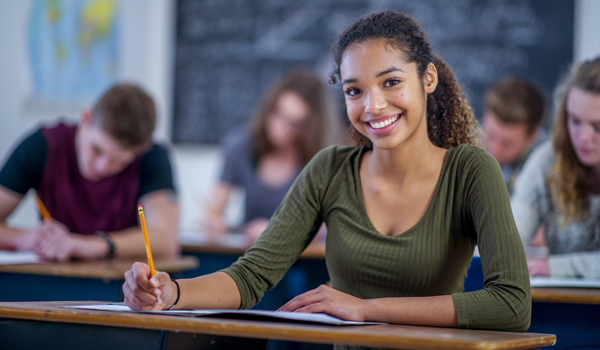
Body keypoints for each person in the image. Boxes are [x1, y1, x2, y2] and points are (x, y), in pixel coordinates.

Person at [123, 11, 530, 334]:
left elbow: (511, 304)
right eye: (354, 90)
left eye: (391, 82)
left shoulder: (471, 170)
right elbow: (251, 277)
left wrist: (365, 309)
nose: (372, 106)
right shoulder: (330, 168)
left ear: (427, 79)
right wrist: (168, 292)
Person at [0, 83, 179, 261]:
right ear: (86, 118)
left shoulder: (152, 157)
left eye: (120, 162)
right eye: (97, 149)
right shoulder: (43, 146)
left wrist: (97, 245)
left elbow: (165, 240)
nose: (102, 167)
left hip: (122, 284)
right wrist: (24, 239)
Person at [203, 68, 342, 241]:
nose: (280, 126)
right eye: (277, 113)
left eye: (294, 123)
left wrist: (274, 229)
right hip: (251, 256)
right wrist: (214, 222)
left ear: (311, 127)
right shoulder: (240, 147)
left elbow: (324, 227)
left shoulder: (323, 159)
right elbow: (213, 211)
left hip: (302, 260)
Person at [511, 57, 600, 279]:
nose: (583, 138)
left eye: (598, 127)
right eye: (575, 121)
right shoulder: (546, 161)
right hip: (562, 305)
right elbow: (506, 240)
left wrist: (554, 267)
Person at [481, 76, 547, 194]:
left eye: (507, 144)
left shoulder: (545, 173)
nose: (494, 151)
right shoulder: (456, 142)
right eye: (489, 135)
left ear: (533, 136)